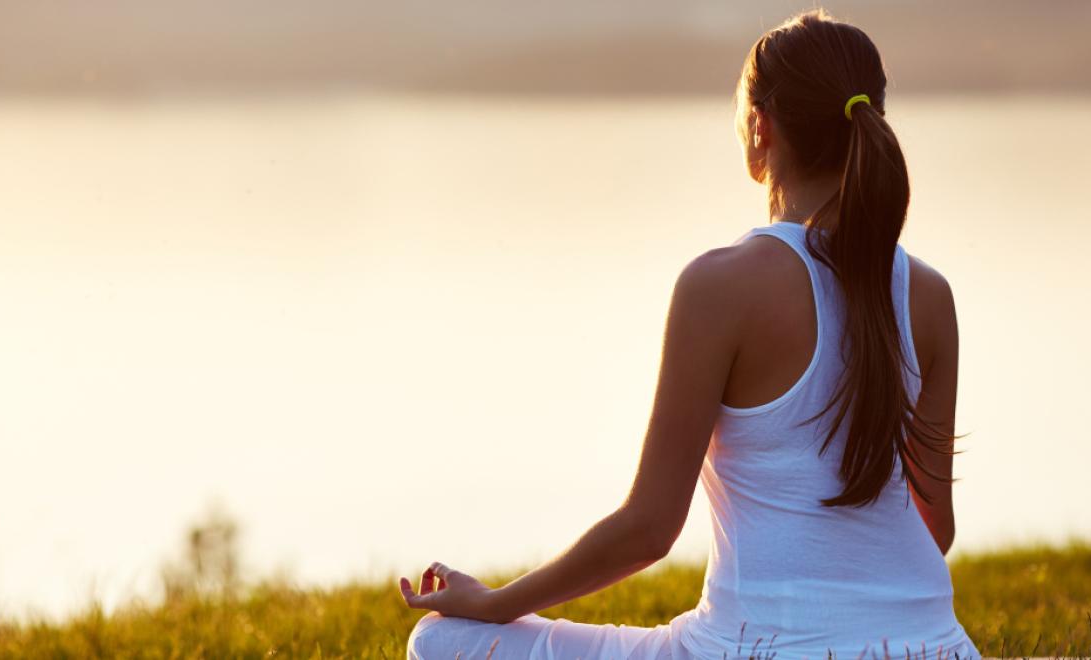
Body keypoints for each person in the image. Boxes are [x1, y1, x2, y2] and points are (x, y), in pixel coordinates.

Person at [400, 8, 982, 660]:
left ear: (760, 128)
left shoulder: (720, 286)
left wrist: (493, 602)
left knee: (441, 639)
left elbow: (648, 531)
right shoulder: (928, 295)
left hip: (750, 648)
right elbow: (936, 530)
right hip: (938, 649)